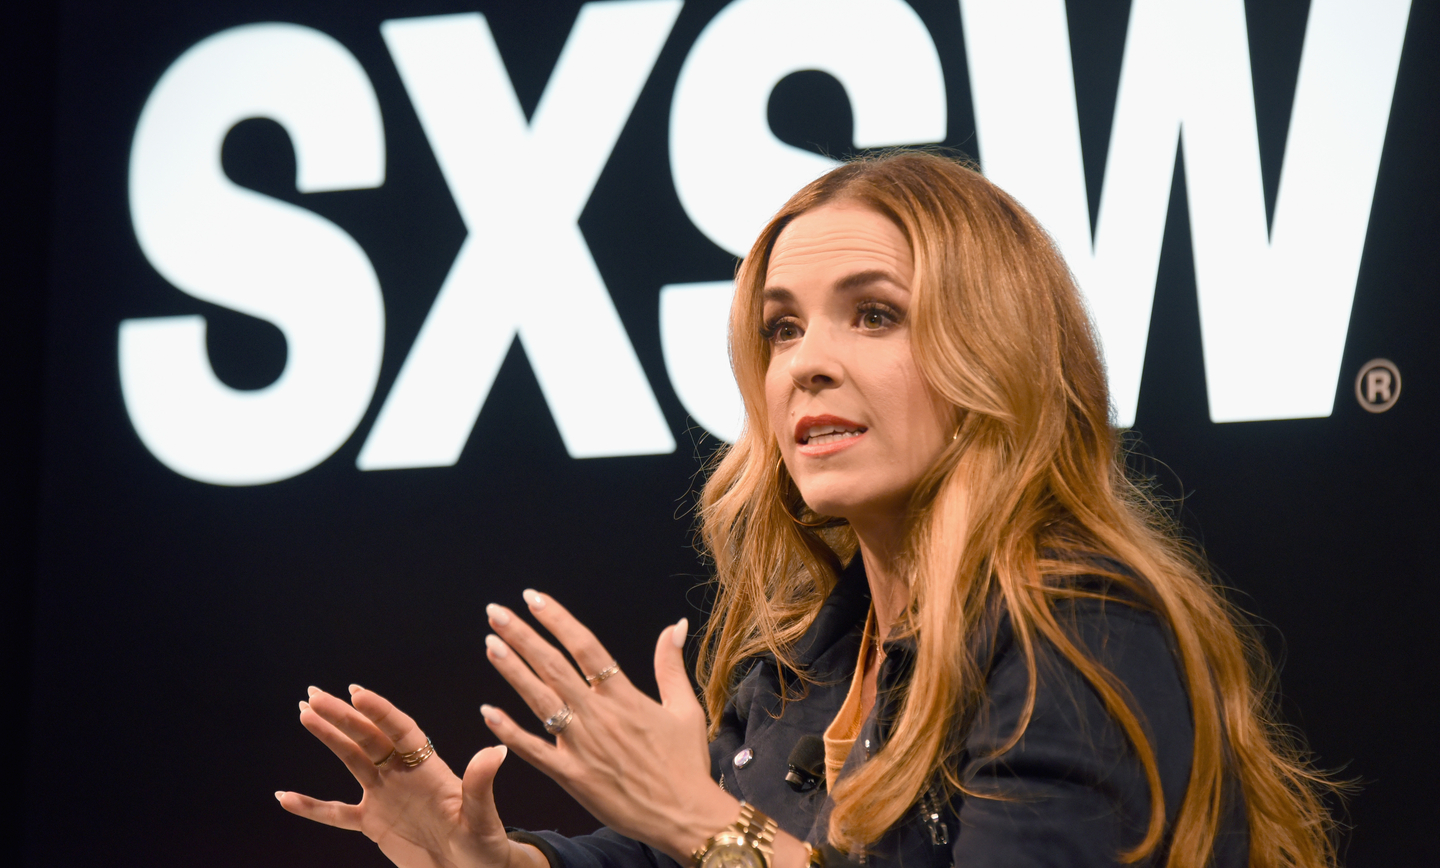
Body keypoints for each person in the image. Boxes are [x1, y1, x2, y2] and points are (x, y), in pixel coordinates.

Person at [276, 151, 1340, 868]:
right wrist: (490, 859)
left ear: (997, 352)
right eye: (782, 330)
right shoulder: (800, 666)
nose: (808, 366)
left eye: (873, 315)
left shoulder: (1083, 631)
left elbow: (703, 842)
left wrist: (708, 824)